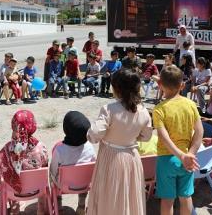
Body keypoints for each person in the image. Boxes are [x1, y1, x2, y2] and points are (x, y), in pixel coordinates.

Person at [87, 69, 153, 215]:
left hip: (111, 156)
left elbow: (94, 135)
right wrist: (130, 137)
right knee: (130, 195)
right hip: (131, 156)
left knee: (109, 195)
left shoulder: (109, 109)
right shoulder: (143, 111)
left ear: (116, 88)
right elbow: (146, 136)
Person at [153, 65, 203, 215]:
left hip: (166, 159)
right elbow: (199, 130)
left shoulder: (159, 109)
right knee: (186, 197)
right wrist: (189, 154)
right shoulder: (191, 104)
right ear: (182, 85)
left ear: (160, 84)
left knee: (167, 200)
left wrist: (180, 156)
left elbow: (163, 137)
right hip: (188, 158)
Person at [0, 110, 48, 215]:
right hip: (36, 190)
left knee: (11, 175)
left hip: (14, 192)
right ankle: (41, 210)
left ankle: (15, 209)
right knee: (43, 180)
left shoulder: (7, 148)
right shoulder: (41, 148)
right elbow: (45, 167)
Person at [50, 111, 96, 215]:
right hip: (84, 184)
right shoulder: (89, 147)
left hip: (63, 185)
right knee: (85, 175)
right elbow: (94, 165)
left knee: (51, 175)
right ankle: (81, 206)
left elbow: (53, 170)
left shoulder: (59, 150)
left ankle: (59, 206)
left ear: (66, 129)